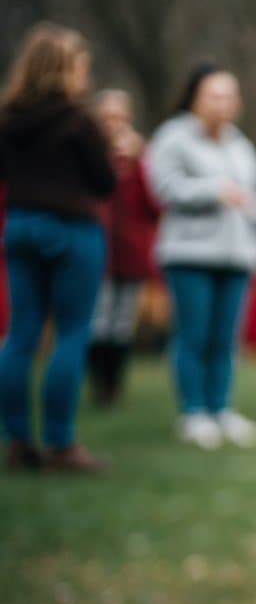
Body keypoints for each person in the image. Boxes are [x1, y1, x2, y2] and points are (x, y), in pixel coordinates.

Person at [0, 23, 116, 472]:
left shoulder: (7, 120)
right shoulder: (77, 120)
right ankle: (61, 443)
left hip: (21, 227)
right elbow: (103, 182)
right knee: (70, 335)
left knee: (20, 337)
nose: (86, 74)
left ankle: (17, 440)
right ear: (65, 69)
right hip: (72, 232)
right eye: (81, 65)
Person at [147, 64, 256, 450]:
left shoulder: (240, 143)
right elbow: (164, 188)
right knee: (193, 335)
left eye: (230, 96)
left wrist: (253, 211)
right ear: (195, 98)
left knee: (225, 338)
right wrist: (214, 190)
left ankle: (221, 409)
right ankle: (194, 411)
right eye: (215, 96)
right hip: (190, 254)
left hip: (236, 256)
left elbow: (253, 195)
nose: (224, 104)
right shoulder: (173, 137)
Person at [88, 89, 161, 407]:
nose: (113, 124)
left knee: (121, 321)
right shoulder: (87, 153)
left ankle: (115, 385)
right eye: (107, 118)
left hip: (130, 253)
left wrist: (140, 163)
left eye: (118, 118)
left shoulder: (142, 159)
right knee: (99, 318)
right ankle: (99, 385)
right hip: (96, 250)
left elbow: (155, 206)